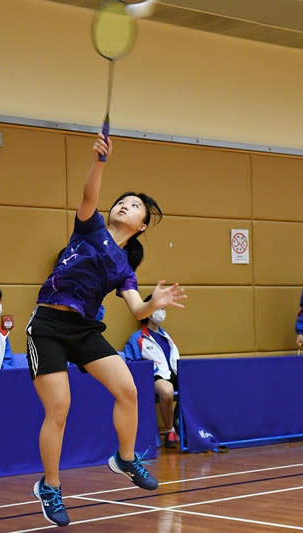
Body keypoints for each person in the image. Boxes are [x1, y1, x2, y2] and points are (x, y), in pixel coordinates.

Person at [26, 134, 187, 527]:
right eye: (123, 200)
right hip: (47, 325)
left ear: (142, 225)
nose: (124, 205)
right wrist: (99, 162)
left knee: (130, 389)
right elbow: (89, 194)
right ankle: (50, 486)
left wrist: (155, 303)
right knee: (59, 408)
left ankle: (126, 458)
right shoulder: (89, 228)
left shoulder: (124, 269)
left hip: (83, 330)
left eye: (134, 206)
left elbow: (136, 308)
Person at [123, 294, 180, 449]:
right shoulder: (137, 338)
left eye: (163, 308)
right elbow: (130, 362)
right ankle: (170, 431)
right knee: (167, 391)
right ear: (148, 310)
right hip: (155, 376)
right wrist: (150, 367)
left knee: (196, 385)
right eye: (158, 307)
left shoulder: (166, 336)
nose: (162, 311)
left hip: (172, 373)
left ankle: (181, 424)